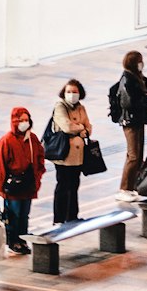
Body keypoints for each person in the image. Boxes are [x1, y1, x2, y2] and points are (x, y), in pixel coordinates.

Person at [0, 105, 45, 255]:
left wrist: (38, 175)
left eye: (27, 120)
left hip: (28, 185)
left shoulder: (32, 139)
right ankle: (13, 240)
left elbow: (40, 157)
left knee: (24, 215)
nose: (24, 123)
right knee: (13, 215)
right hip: (13, 187)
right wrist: (1, 187)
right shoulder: (7, 141)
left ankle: (22, 239)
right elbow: (0, 165)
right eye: (21, 120)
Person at [113, 49, 147, 201]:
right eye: (140, 61)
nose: (142, 64)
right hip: (130, 121)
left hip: (139, 119)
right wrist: (146, 99)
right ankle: (124, 188)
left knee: (138, 155)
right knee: (133, 155)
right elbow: (129, 102)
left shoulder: (140, 79)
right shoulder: (127, 80)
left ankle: (133, 186)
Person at [50, 79, 92, 225]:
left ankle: (72, 216)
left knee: (74, 185)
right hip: (64, 154)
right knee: (63, 185)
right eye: (69, 92)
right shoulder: (60, 107)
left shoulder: (81, 108)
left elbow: (89, 127)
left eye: (74, 92)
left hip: (78, 155)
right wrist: (81, 129)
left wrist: (82, 128)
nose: (72, 95)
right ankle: (59, 218)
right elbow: (67, 127)